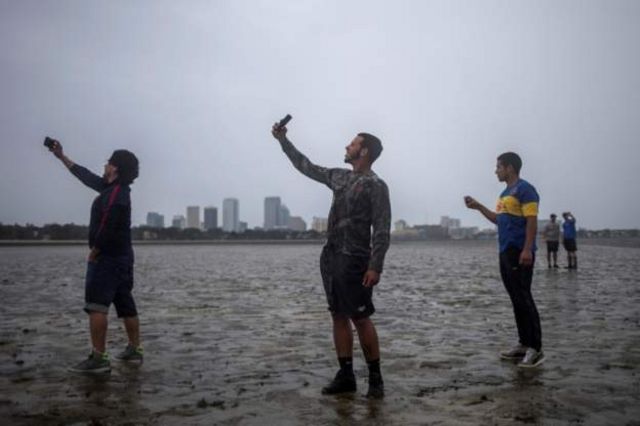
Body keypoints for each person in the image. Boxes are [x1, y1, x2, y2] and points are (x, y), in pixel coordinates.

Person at [271, 122, 391, 398]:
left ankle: (375, 379)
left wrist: (375, 266)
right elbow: (306, 166)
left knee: (360, 317)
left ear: (365, 151)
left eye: (352, 144)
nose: (347, 147)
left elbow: (382, 229)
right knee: (337, 315)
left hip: (357, 260)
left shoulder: (376, 186)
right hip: (332, 256)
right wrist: (283, 141)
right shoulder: (339, 177)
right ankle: (346, 375)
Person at [47, 138, 143, 374]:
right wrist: (62, 156)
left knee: (97, 307)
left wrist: (95, 252)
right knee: (125, 304)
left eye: (108, 162)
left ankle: (99, 358)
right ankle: (134, 349)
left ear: (115, 168)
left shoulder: (116, 194)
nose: (105, 165)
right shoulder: (113, 189)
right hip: (123, 258)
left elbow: (108, 226)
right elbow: (86, 176)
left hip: (108, 258)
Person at [464, 152, 544, 368]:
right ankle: (523, 343)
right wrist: (479, 206)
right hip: (505, 251)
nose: (495, 170)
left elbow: (531, 222)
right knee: (516, 298)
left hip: (520, 251)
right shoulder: (504, 194)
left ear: (509, 167)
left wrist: (527, 249)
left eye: (498, 166)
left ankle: (536, 348)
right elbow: (498, 220)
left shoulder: (525, 189)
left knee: (524, 297)